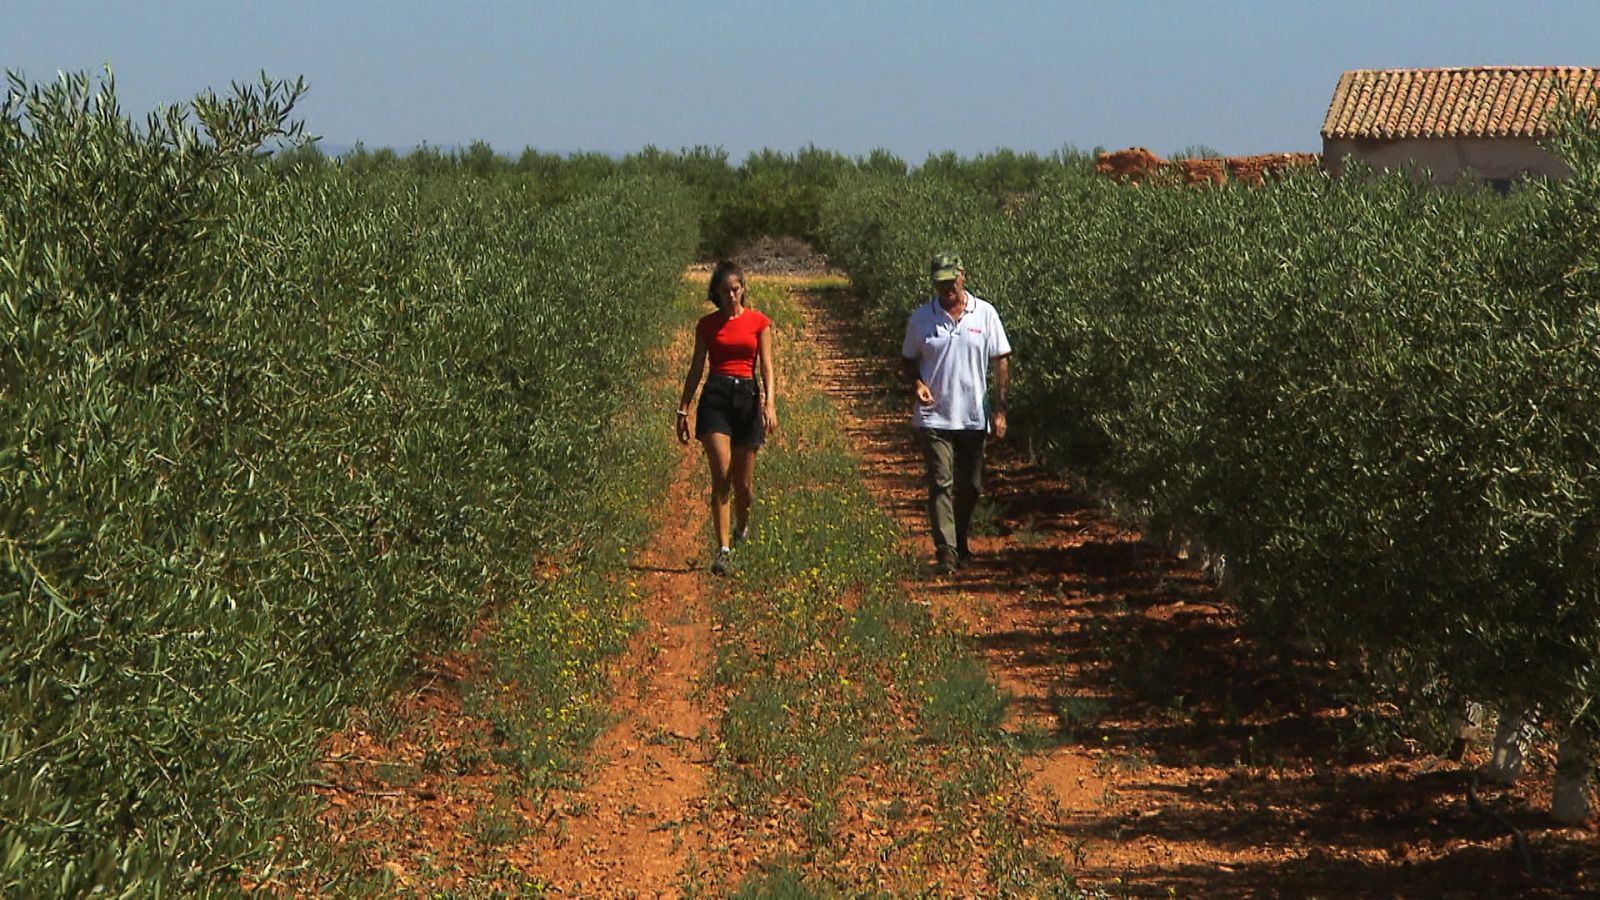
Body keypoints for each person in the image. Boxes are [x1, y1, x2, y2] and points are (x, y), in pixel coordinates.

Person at [901, 253, 1011, 575]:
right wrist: (917, 384)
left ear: (963, 276)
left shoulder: (985, 314)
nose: (947, 286)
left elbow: (1001, 358)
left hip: (973, 417)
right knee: (940, 483)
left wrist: (1000, 409)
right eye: (941, 281)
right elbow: (908, 359)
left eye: (952, 279)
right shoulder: (922, 318)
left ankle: (959, 536)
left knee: (972, 486)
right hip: (934, 417)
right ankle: (946, 553)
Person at [677, 260, 778, 575]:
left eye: (735, 289)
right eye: (725, 291)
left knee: (743, 484)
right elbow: (696, 368)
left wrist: (770, 403)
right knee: (721, 475)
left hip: (747, 398)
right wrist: (684, 407)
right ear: (716, 294)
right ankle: (723, 551)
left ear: (743, 289)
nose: (731, 296)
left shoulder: (759, 323)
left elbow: (767, 366)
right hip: (716, 399)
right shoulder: (706, 326)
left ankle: (742, 528)